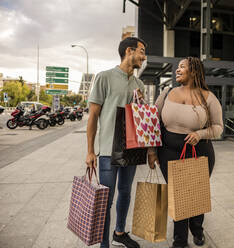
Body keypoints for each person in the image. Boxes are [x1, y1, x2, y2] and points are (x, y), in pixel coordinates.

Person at [148, 57, 223, 248]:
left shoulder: (209, 97)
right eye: (177, 67)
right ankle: (180, 241)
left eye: (182, 67)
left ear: (194, 71)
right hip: (168, 153)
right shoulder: (166, 93)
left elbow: (219, 127)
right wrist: (151, 151)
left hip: (200, 152)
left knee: (195, 196)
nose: (177, 70)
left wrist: (201, 133)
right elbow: (153, 123)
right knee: (178, 196)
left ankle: (197, 230)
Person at [86, 37, 147, 248]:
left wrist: (141, 102)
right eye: (141, 51)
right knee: (106, 199)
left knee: (125, 193)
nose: (144, 56)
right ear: (129, 51)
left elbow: (142, 119)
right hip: (107, 151)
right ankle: (104, 244)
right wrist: (90, 151)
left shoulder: (139, 84)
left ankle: (119, 233)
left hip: (131, 148)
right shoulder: (104, 77)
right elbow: (93, 116)